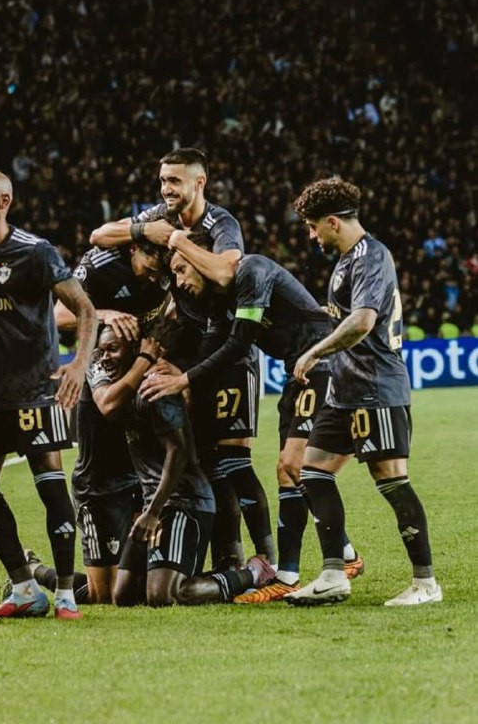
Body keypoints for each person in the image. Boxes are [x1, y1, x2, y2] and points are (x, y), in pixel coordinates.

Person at [142, 234, 363, 602]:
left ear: (201, 259)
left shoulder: (253, 271)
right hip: (297, 371)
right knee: (287, 471)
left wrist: (185, 379)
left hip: (324, 363)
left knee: (295, 466)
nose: (179, 280)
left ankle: (315, 568)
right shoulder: (219, 299)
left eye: (181, 269)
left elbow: (240, 342)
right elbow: (216, 342)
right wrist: (180, 372)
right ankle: (309, 567)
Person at [91, 148, 271, 571]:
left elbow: (226, 272)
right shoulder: (159, 216)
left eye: (174, 181)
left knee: (232, 461)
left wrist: (175, 241)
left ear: (199, 182)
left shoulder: (221, 223)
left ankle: (269, 559)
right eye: (163, 180)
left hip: (230, 352)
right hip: (189, 354)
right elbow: (99, 236)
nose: (166, 189)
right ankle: (228, 560)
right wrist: (142, 229)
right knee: (204, 459)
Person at [285, 177, 441, 607]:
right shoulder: (346, 261)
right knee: (312, 472)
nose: (311, 235)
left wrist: (315, 352)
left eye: (313, 226)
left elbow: (363, 321)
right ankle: (334, 573)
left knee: (391, 480)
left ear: (333, 222)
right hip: (345, 390)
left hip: (376, 386)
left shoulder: (371, 255)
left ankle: (425, 583)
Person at [0, 169, 97, 621]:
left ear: (3, 202)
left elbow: (85, 310)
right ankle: (23, 587)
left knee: (51, 486)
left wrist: (78, 364)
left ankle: (65, 593)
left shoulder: (36, 252)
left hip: (38, 392)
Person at [54, 241, 169, 601]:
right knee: (103, 596)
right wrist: (102, 315)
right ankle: (36, 573)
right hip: (97, 486)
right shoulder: (99, 360)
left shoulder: (160, 284)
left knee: (134, 588)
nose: (153, 276)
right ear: (134, 249)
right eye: (150, 265)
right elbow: (59, 315)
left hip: (135, 479)